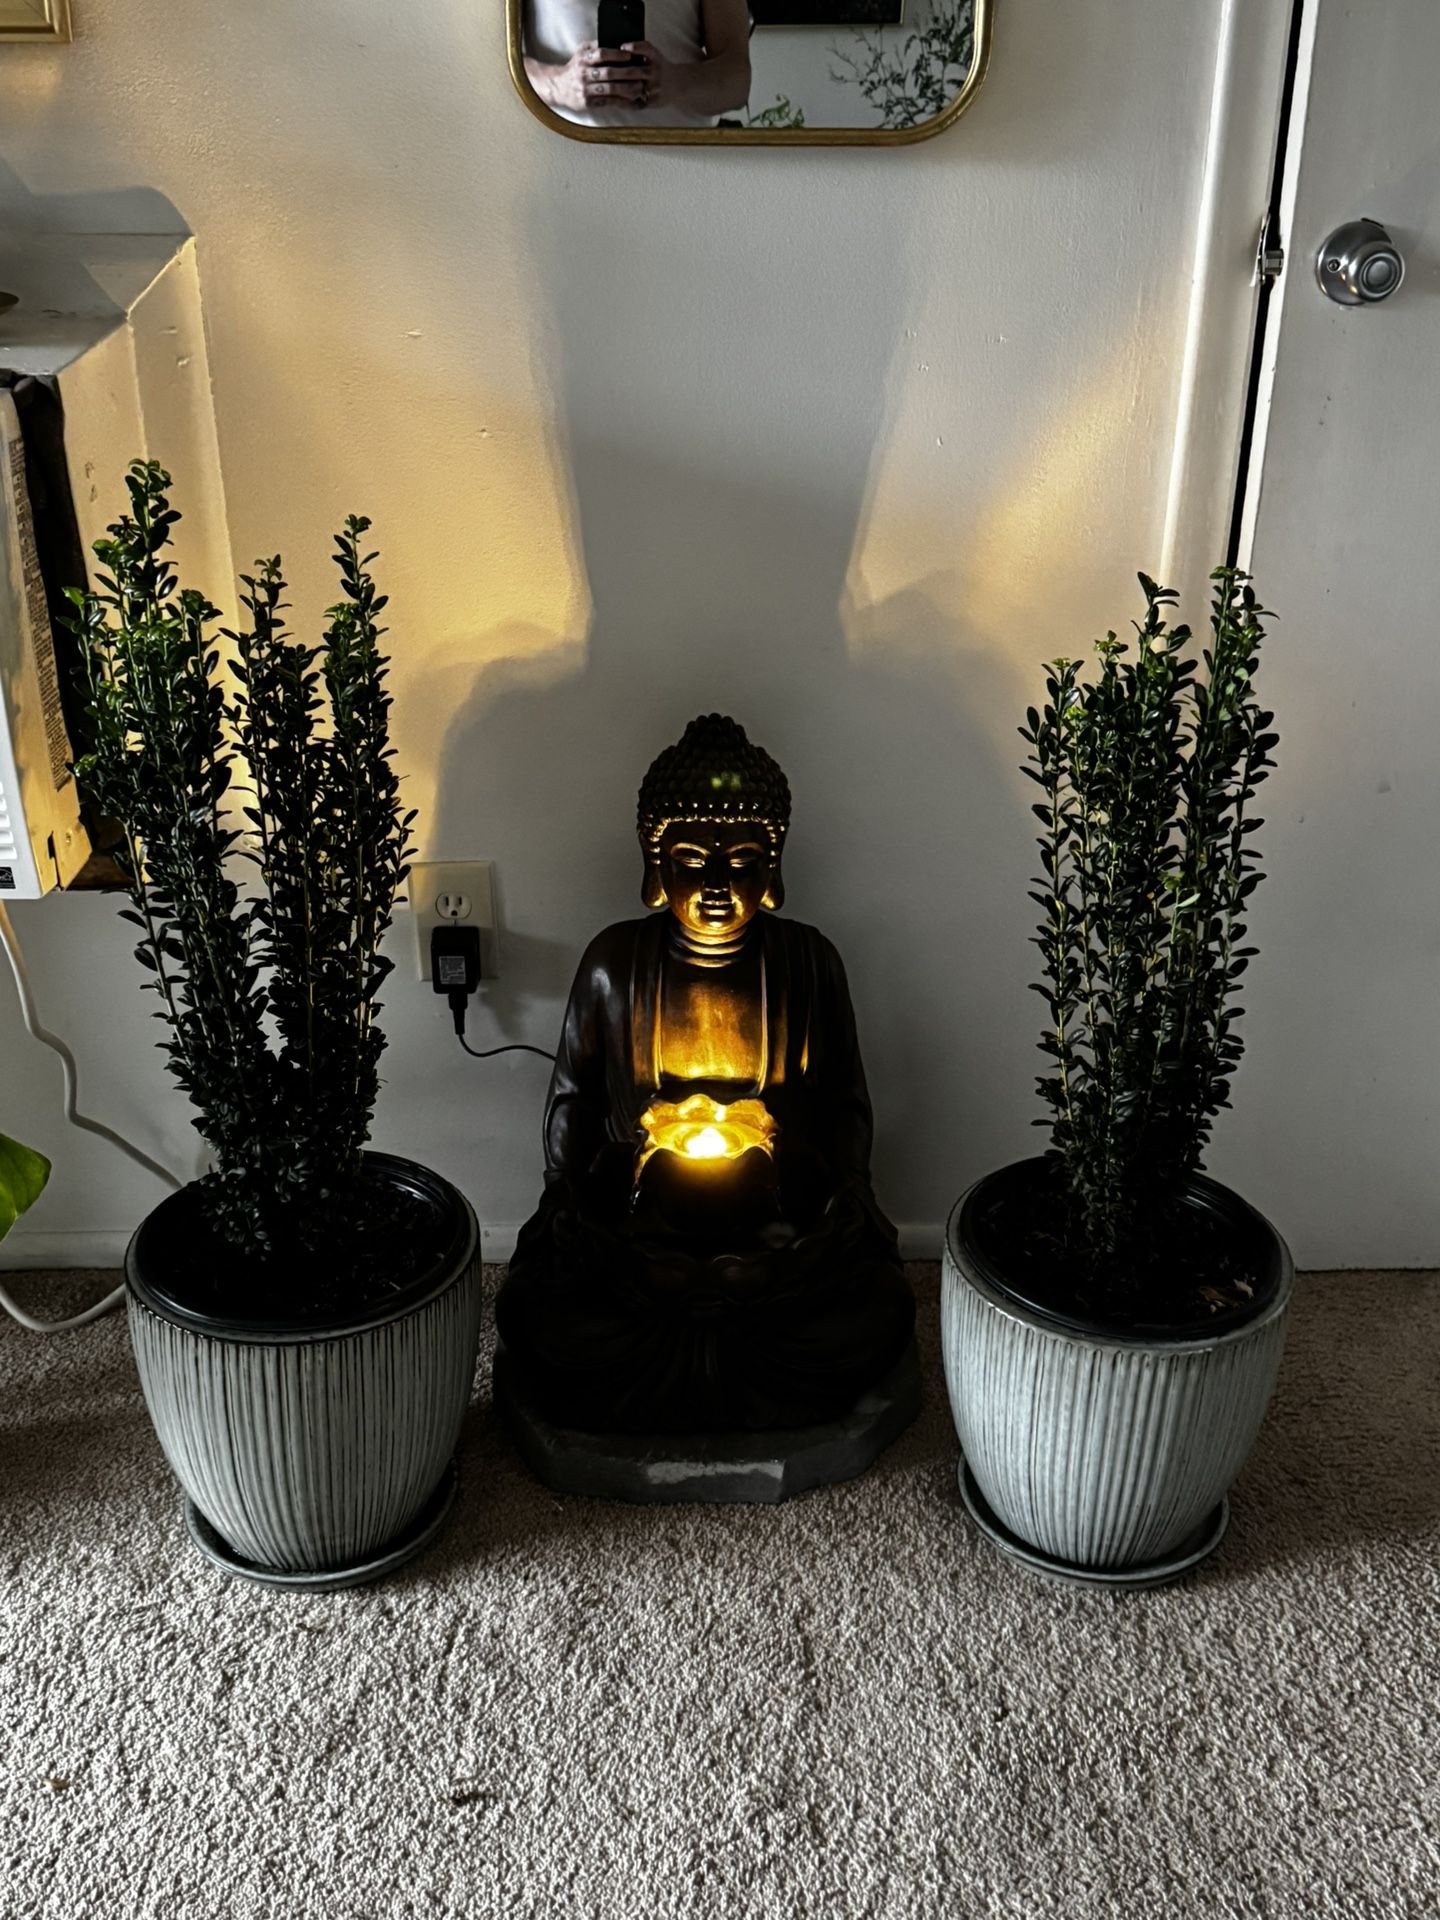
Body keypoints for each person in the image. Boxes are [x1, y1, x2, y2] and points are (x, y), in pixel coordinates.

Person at [495, 714, 916, 1436]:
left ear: (774, 865)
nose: (718, 883)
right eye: (692, 861)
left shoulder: (809, 962)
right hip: (641, 1225)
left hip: (773, 1229)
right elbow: (571, 1102)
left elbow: (846, 1105)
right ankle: (721, 1336)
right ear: (655, 864)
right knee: (537, 1311)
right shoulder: (612, 964)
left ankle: (707, 1332)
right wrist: (566, 1201)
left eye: (744, 859)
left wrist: (849, 1197)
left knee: (879, 1309)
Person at [523, 0, 752, 130]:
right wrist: (559, 84)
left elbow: (737, 80)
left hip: (683, 165)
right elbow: (489, 64)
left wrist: (676, 82)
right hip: (561, 160)